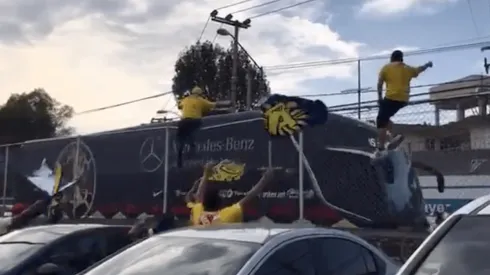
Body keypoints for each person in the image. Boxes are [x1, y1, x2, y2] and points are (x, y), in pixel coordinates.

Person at [376, 50, 432, 156]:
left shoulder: (386, 68)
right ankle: (394, 137)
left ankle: (381, 148)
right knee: (385, 118)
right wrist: (427, 65)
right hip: (403, 100)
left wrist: (379, 98)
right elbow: (419, 69)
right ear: (402, 59)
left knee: (380, 121)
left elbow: (379, 84)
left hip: (391, 98)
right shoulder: (407, 68)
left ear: (391, 58)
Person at [189, 161, 275, 225]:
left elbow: (199, 195)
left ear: (203, 203)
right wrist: (265, 179)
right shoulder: (227, 216)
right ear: (220, 202)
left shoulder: (197, 213)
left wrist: (206, 173)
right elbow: (249, 196)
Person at [177, 87, 230, 168]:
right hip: (195, 121)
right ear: (200, 94)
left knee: (181, 137)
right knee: (190, 130)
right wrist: (228, 103)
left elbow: (179, 105)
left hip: (184, 121)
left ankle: (180, 158)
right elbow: (214, 104)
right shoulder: (200, 100)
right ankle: (192, 147)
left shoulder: (186, 99)